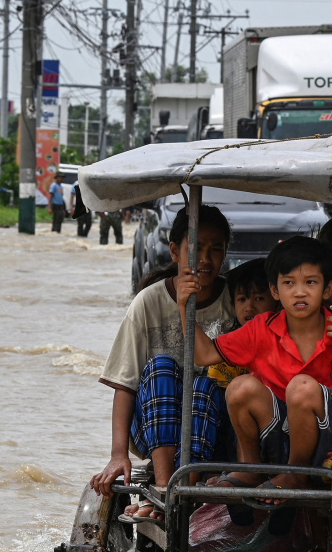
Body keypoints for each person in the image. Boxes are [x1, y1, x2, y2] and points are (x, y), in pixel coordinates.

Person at [177, 235, 332, 508]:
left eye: (310, 282)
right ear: (275, 291)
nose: (299, 292)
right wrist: (183, 305)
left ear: (327, 288)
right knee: (240, 386)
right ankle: (251, 467)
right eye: (289, 283)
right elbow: (203, 355)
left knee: (302, 387)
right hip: (277, 444)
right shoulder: (261, 327)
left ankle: (296, 474)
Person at [89, 204, 237, 514]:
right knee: (161, 367)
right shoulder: (149, 301)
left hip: (216, 427)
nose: (206, 260)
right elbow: (125, 383)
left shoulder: (236, 301)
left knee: (203, 385)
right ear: (174, 251)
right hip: (154, 428)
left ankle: (184, 488)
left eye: (216, 250)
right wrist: (119, 454)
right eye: (197, 249)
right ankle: (165, 488)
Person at [227, 258, 279, 324]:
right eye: (242, 299)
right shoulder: (231, 334)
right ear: (233, 306)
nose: (249, 308)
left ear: (279, 304)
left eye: (259, 298)